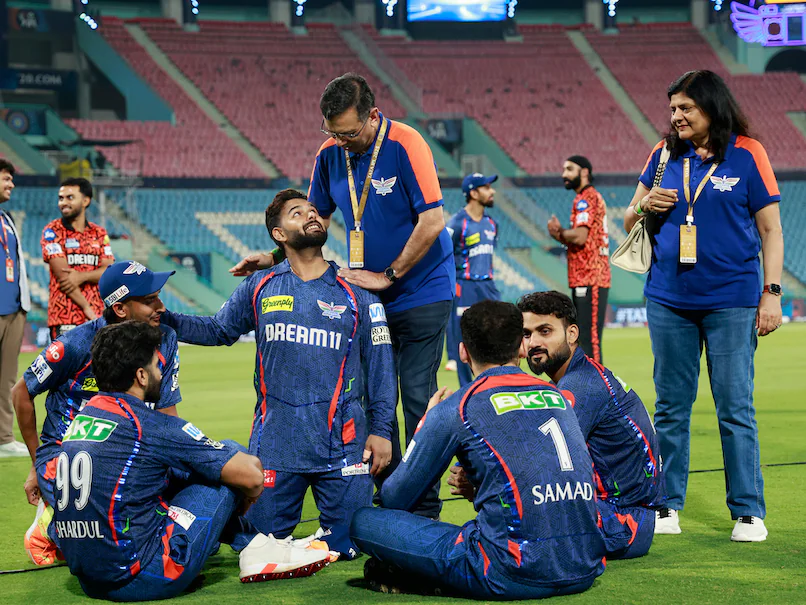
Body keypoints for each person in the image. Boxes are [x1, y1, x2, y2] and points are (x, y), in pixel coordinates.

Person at [231, 73, 454, 519]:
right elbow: (315, 220)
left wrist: (388, 275)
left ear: (373, 115)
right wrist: (273, 257)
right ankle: (388, 495)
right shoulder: (330, 153)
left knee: (415, 394)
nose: (340, 142)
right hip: (368, 298)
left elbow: (432, 221)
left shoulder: (407, 143)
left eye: (349, 133)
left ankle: (423, 506)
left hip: (421, 289)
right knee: (371, 398)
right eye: (332, 132)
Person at [162, 189, 396, 560]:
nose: (311, 214)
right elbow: (218, 329)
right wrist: (164, 318)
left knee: (351, 546)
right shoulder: (259, 285)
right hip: (276, 445)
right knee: (259, 546)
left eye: (313, 210)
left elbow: (382, 366)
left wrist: (381, 430)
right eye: (297, 213)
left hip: (343, 446)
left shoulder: (358, 290)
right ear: (279, 234)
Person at [52, 321, 329, 601]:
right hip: (143, 576)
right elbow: (252, 476)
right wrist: (242, 497)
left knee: (172, 471)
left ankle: (254, 545)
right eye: (156, 365)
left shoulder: (83, 419)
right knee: (227, 459)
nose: (160, 372)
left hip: (89, 580)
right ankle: (257, 548)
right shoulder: (147, 424)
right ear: (141, 376)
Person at [351, 300, 606, 599]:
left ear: (463, 352)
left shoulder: (457, 406)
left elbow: (396, 497)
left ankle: (426, 577)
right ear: (521, 348)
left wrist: (425, 425)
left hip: (510, 573)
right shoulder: (558, 396)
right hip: (585, 565)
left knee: (363, 522)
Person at [622, 70, 783, 542]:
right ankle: (666, 504)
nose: (676, 116)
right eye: (673, 108)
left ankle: (748, 511)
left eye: (686, 108)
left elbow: (771, 229)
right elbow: (629, 217)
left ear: (711, 106)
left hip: (732, 299)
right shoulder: (663, 154)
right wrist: (647, 204)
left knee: (734, 406)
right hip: (668, 299)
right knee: (671, 407)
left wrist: (772, 293)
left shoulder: (749, 153)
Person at [12, 260, 184, 565]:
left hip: (129, 447)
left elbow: (167, 410)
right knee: (114, 532)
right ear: (120, 309)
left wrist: (182, 457)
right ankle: (50, 527)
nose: (161, 307)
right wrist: (37, 463)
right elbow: (21, 392)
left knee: (190, 477)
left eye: (158, 297)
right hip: (70, 455)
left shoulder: (165, 338)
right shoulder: (76, 344)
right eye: (149, 300)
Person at [518, 291, 664, 559]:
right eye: (526, 334)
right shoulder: (579, 376)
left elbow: (540, 461)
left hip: (622, 522)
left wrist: (480, 478)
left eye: (545, 331)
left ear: (572, 334)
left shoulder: (580, 385)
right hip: (621, 516)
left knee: (513, 511)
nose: (534, 343)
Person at [547, 156, 610, 363]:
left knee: (590, 341)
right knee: (583, 339)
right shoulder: (583, 198)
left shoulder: (587, 198)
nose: (564, 174)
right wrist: (560, 235)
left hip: (591, 276)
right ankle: (587, 381)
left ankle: (597, 383)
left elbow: (580, 236)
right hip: (584, 277)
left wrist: (561, 232)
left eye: (569, 169)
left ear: (584, 172)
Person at [41, 177, 114, 340]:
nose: (63, 203)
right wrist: (87, 308)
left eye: (70, 197)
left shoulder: (99, 233)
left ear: (85, 201)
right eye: (61, 198)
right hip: (65, 317)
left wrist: (82, 276)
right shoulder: (52, 231)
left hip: (98, 316)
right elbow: (65, 278)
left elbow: (108, 272)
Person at [445, 173, 500, 387]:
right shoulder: (457, 223)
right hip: (465, 286)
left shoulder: (492, 223)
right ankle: (467, 390)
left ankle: (493, 384)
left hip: (488, 286)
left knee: (496, 335)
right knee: (465, 340)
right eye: (486, 187)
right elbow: (445, 255)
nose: (492, 191)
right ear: (474, 193)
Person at [0, 159, 30, 458]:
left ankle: (4, 438)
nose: (12, 184)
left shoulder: (6, 219)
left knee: (7, 378)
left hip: (13, 309)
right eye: (6, 179)